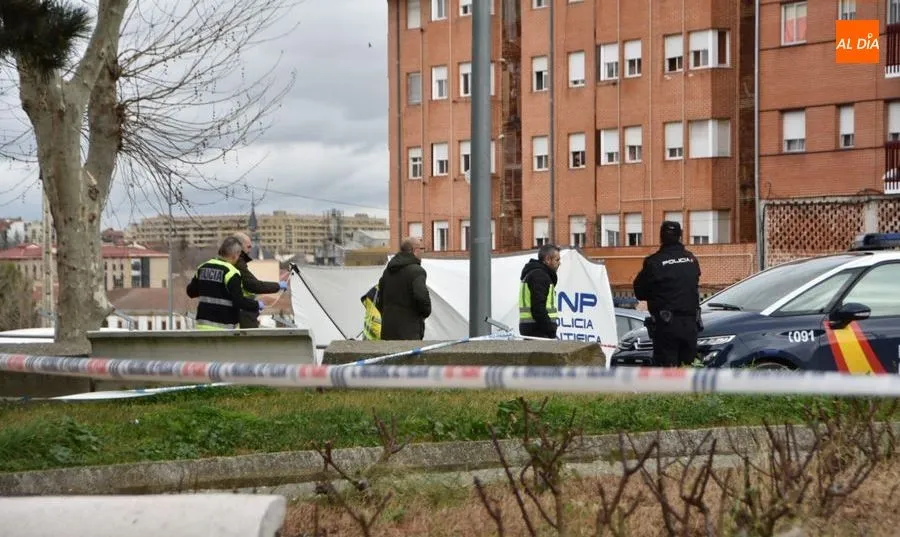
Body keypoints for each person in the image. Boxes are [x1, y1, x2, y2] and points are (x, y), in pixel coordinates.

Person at [633, 221, 702, 367]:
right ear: (680, 236)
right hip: (691, 324)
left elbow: (639, 291)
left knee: (667, 372)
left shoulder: (654, 262)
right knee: (688, 368)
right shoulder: (691, 260)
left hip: (666, 325)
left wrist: (657, 294)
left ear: (661, 237)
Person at [187, 236, 264, 330]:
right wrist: (256, 305)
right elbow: (239, 302)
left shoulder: (202, 267)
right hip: (224, 330)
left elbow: (190, 292)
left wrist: (209, 287)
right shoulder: (231, 272)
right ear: (235, 255)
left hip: (202, 327)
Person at [374, 236, 431, 340]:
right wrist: (424, 313)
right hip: (409, 332)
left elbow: (379, 299)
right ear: (415, 250)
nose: (422, 252)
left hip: (387, 331)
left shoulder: (387, 272)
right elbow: (422, 297)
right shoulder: (417, 271)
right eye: (421, 249)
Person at [232, 231, 287, 328]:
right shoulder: (237, 262)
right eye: (248, 247)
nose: (249, 251)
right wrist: (278, 286)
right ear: (239, 247)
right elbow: (253, 285)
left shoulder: (231, 261)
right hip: (242, 312)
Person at [518, 244, 561, 339]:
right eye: (557, 260)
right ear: (547, 259)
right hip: (538, 331)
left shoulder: (536, 273)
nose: (559, 263)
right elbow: (538, 309)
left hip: (535, 330)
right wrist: (551, 330)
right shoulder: (539, 276)